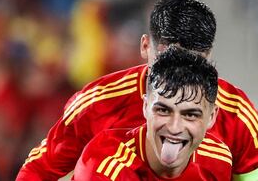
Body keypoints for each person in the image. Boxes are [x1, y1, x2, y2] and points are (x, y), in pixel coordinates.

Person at [17, 0, 258, 181]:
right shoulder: (96, 106)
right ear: (144, 47)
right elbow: (38, 171)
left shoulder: (238, 118)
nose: (179, 71)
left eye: (193, 61)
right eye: (167, 58)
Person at [72, 47, 232, 180]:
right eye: (163, 110)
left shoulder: (217, 162)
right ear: (145, 106)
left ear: (211, 117)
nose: (174, 128)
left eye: (190, 115)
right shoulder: (103, 166)